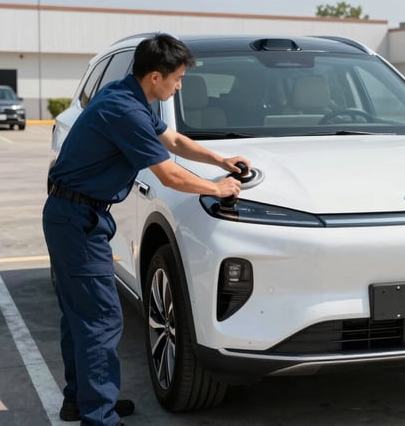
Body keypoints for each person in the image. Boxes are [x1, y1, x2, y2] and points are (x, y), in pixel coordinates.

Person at [43, 33, 250, 426]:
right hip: (76, 220)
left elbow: (172, 139)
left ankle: (81, 401)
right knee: (101, 319)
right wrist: (217, 187)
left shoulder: (129, 95)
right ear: (156, 77)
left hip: (74, 214)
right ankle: (99, 416)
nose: (181, 84)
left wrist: (221, 160)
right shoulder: (126, 111)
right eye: (178, 77)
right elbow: (169, 174)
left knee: (80, 317)